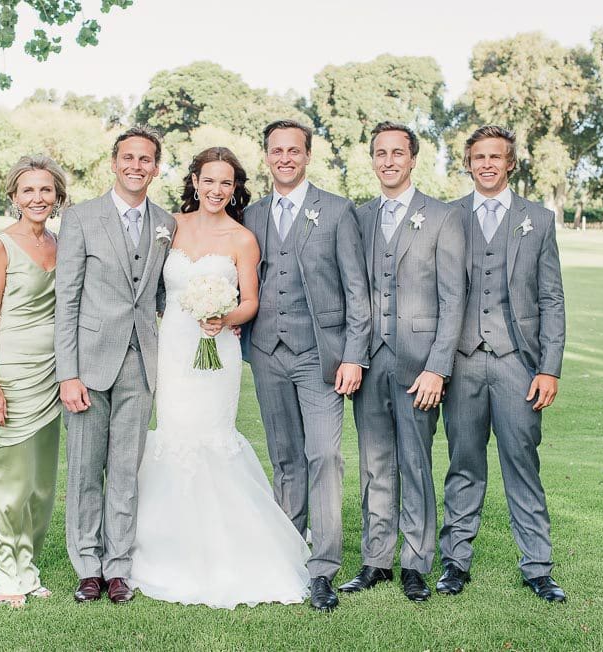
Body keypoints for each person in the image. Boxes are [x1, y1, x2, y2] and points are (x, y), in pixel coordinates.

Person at [128, 147, 310, 608]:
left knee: (211, 436)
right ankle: (166, 545)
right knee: (173, 433)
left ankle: (231, 549)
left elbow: (251, 301)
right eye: (209, 181)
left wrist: (224, 315)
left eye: (226, 183)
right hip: (172, 347)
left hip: (218, 349)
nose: (216, 190)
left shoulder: (242, 239)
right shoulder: (169, 226)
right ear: (193, 181)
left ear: (235, 188)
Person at [241, 120, 371, 611]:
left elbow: (357, 292)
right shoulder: (250, 215)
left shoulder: (337, 211)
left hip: (321, 356)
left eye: (294, 151)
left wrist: (353, 356)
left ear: (308, 156)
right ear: (267, 156)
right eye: (277, 151)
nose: (285, 159)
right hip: (268, 354)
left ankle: (323, 568)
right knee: (285, 460)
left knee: (325, 458)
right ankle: (287, 556)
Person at [438, 125, 567, 602]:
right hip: (463, 360)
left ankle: (537, 567)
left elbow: (552, 299)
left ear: (510, 163)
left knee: (522, 464)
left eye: (496, 157)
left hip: (519, 364)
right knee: (463, 464)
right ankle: (455, 562)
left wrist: (549, 367)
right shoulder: (447, 216)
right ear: (468, 163)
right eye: (478, 157)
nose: (487, 164)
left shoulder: (539, 218)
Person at [341, 122, 466, 601]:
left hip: (420, 366)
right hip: (369, 361)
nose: (388, 160)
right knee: (374, 465)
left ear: (413, 159)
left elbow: (454, 298)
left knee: (415, 463)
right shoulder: (360, 216)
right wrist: (352, 355)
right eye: (380, 153)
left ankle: (415, 562)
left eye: (398, 152)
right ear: (372, 160)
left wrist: (438, 367)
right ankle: (376, 560)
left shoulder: (441, 216)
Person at [55, 126, 176, 604]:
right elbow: (66, 301)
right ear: (114, 162)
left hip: (141, 362)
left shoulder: (166, 222)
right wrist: (68, 373)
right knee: (85, 469)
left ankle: (119, 566)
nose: (136, 166)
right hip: (87, 364)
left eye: (145, 159)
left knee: (126, 469)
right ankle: (88, 565)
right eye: (128, 157)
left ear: (156, 168)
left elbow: (164, 293)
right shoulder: (81, 218)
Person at [0, 155, 66, 608]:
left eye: (46, 190)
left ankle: (28, 567)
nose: (38, 198)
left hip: (55, 371)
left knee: (41, 482)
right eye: (28, 190)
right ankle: (5, 570)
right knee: (8, 476)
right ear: (14, 197)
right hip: (12, 370)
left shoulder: (62, 241)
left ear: (57, 196)